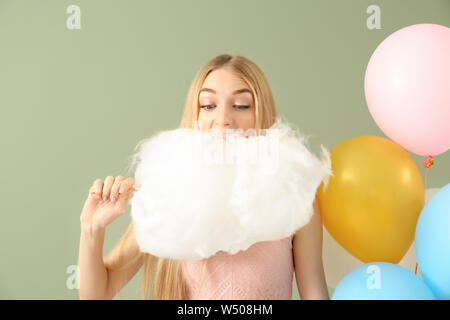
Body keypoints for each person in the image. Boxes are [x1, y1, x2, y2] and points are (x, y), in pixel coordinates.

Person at [77, 54, 330, 300]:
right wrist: (91, 229)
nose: (223, 120)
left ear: (261, 112)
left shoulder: (297, 198)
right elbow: (98, 294)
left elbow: (315, 294)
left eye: (241, 106)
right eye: (208, 106)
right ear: (196, 116)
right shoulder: (168, 192)